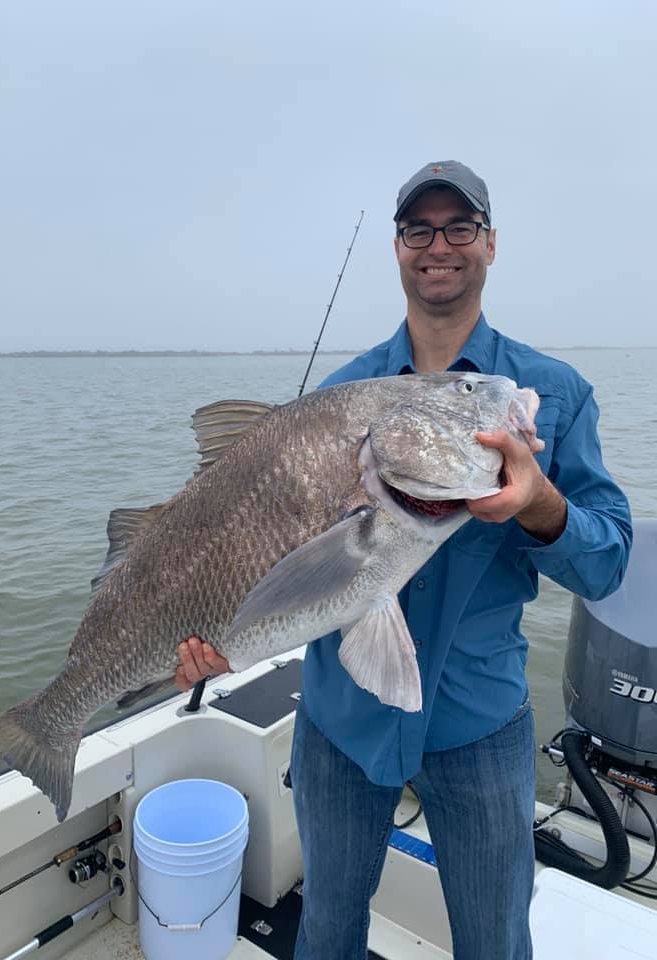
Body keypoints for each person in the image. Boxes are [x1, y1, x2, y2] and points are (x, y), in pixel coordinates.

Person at [175, 161, 632, 959]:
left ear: (491, 244)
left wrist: (540, 505)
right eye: (419, 229)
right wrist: (215, 636)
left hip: (481, 722)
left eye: (460, 227)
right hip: (342, 720)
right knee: (327, 931)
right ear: (397, 249)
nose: (439, 245)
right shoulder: (343, 396)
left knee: (495, 941)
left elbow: (606, 566)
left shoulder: (546, 393)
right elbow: (264, 552)